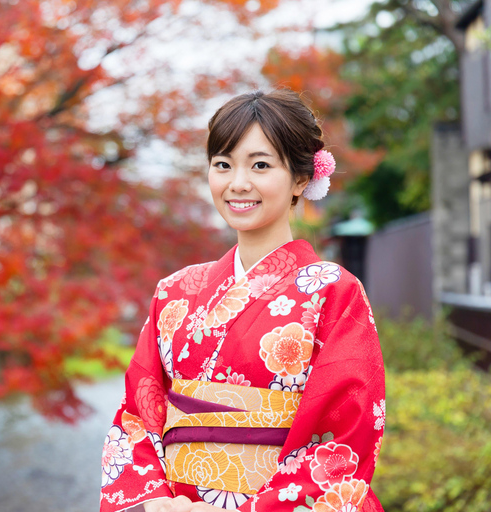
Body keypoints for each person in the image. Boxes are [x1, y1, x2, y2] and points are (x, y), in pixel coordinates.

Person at [99, 89, 385, 512]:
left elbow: (346, 434)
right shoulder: (173, 291)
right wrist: (156, 503)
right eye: (223, 165)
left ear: (302, 179)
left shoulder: (333, 291)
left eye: (261, 165)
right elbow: (137, 414)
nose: (237, 184)